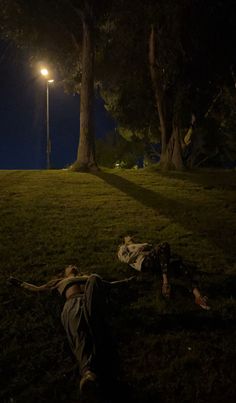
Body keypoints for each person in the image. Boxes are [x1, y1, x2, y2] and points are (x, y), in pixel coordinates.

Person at [8, 265, 135, 401]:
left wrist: (127, 281)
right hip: (72, 303)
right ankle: (88, 374)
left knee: (94, 277)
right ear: (65, 273)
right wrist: (19, 283)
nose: (71, 266)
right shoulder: (59, 282)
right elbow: (37, 289)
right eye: (68, 267)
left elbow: (109, 285)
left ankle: (102, 366)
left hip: (89, 301)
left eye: (73, 265)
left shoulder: (88, 277)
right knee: (79, 333)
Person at [117, 236, 210, 310]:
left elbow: (151, 249)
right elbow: (127, 259)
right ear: (124, 240)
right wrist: (141, 250)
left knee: (178, 264)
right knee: (164, 245)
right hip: (145, 263)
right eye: (127, 237)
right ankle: (165, 281)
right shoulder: (123, 248)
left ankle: (197, 296)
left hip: (157, 261)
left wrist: (145, 247)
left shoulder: (137, 245)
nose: (130, 237)